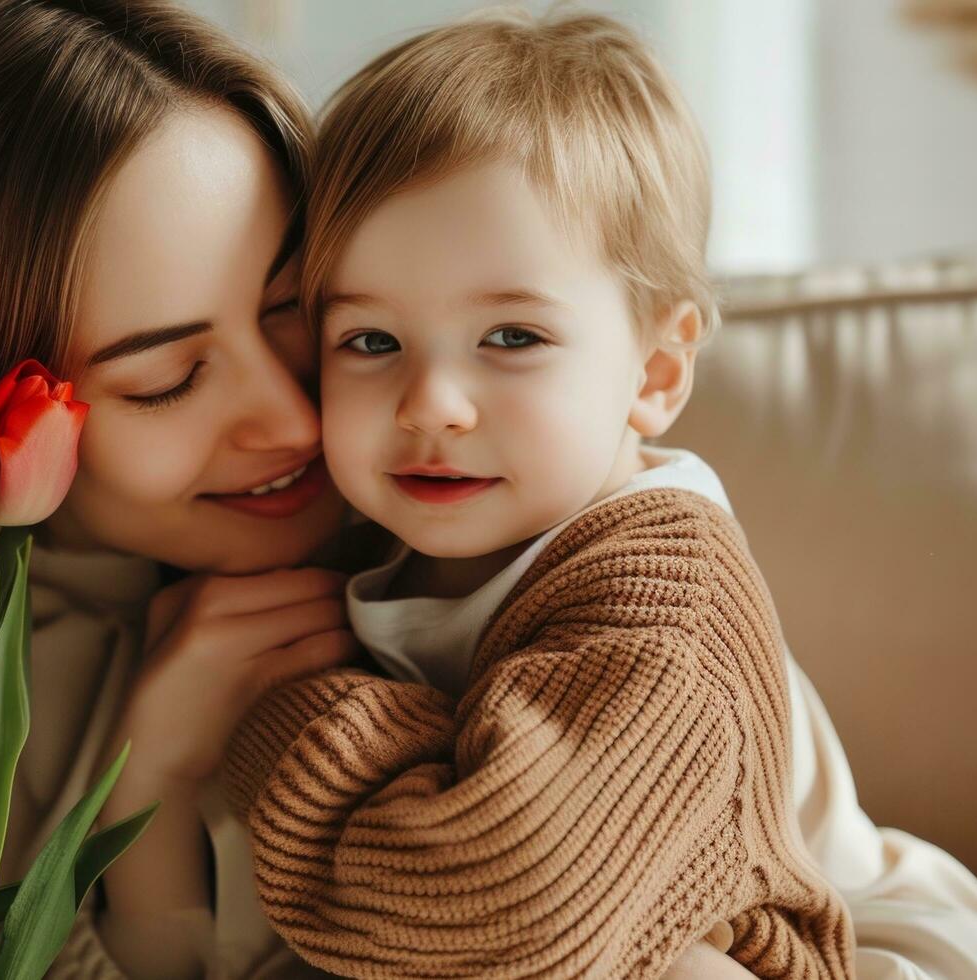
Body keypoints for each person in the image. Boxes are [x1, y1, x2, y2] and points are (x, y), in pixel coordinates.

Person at [0, 2, 977, 979]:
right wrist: (132, 792)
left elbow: (901, 910)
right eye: (162, 377)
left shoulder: (498, 548)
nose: (295, 413)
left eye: (306, 319)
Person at [222, 12, 856, 976]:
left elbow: (492, 909)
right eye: (371, 342)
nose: (431, 405)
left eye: (511, 337)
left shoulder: (666, 618)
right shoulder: (371, 541)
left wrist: (282, 706)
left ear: (652, 372)